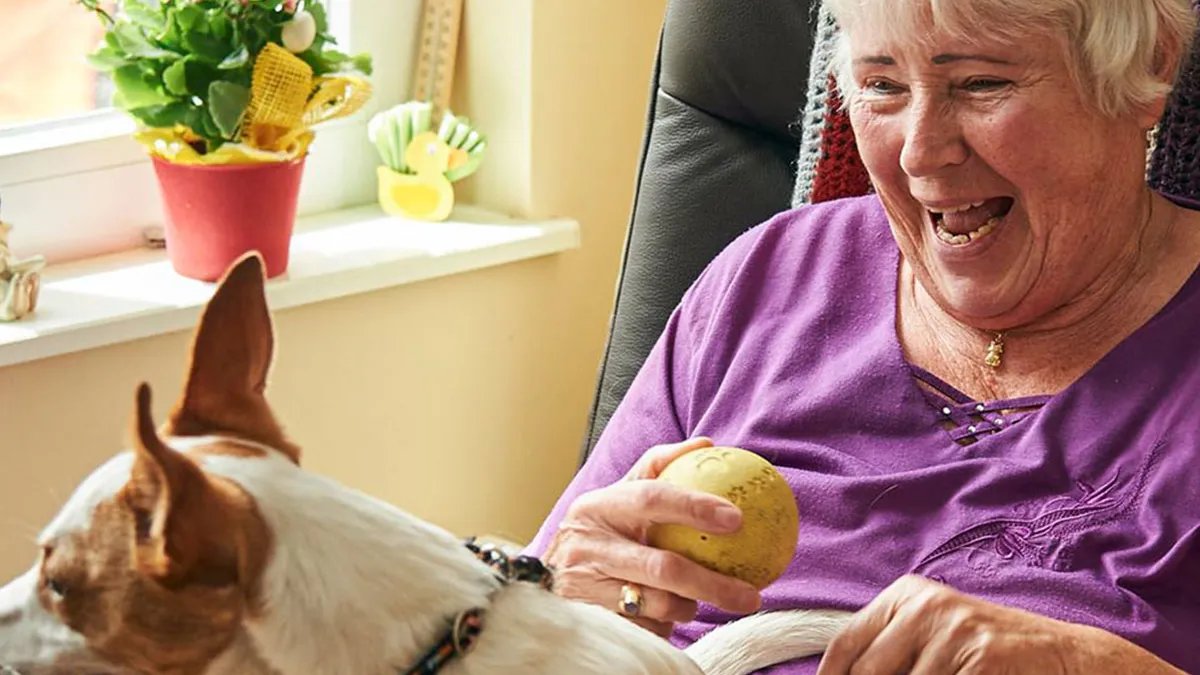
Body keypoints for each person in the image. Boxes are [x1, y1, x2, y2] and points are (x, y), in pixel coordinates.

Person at [523, 0, 1200, 672]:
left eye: (981, 83)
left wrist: (1085, 663)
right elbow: (531, 613)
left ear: (1148, 65)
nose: (921, 151)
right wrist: (557, 604)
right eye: (883, 86)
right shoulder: (768, 278)